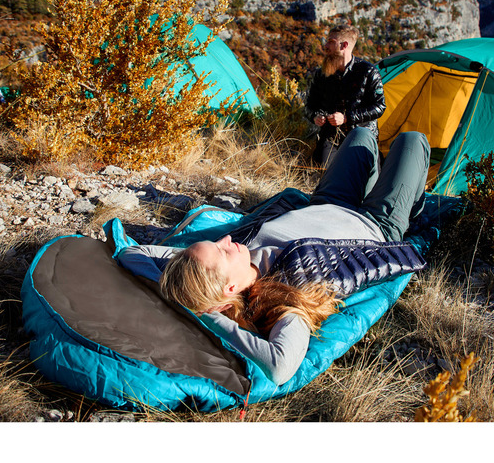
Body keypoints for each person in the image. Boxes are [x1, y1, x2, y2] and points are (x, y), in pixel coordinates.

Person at [157, 126, 429, 385]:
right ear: (230, 288)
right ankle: (411, 211)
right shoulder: (282, 297)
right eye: (222, 250)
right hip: (376, 224)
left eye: (217, 242)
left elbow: (135, 253)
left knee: (361, 134)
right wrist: (206, 316)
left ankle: (383, 185)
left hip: (328, 201)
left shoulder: (226, 258)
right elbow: (279, 367)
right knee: (412, 141)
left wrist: (189, 301)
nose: (226, 239)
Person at [304, 24, 386, 167]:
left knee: (361, 177)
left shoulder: (368, 72)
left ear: (344, 45)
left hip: (362, 136)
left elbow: (380, 107)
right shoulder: (321, 74)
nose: (326, 46)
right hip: (331, 137)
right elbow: (310, 105)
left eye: (331, 42)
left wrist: (347, 117)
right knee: (325, 174)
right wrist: (315, 116)